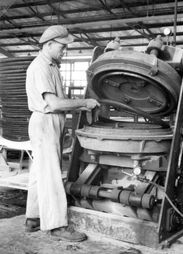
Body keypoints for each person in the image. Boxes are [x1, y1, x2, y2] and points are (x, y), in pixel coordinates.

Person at [25, 25, 100, 241]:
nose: (64, 50)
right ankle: (57, 225)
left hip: (51, 121)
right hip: (45, 121)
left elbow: (59, 103)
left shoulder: (52, 65)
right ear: (48, 44)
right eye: (62, 46)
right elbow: (54, 103)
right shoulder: (39, 68)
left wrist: (80, 106)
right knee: (52, 176)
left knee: (40, 172)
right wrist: (84, 102)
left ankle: (33, 218)